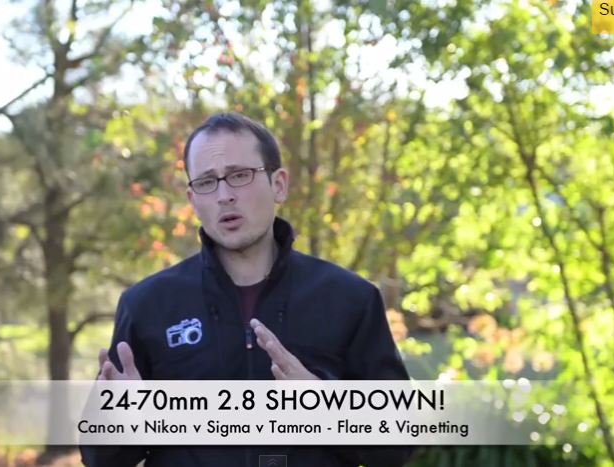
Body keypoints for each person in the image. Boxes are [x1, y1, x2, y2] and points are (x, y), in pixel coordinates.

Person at [80, 113, 412, 466]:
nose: (224, 195)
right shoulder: (148, 305)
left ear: (278, 184)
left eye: (239, 175)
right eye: (207, 182)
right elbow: (100, 458)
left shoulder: (350, 299)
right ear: (192, 200)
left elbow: (397, 446)